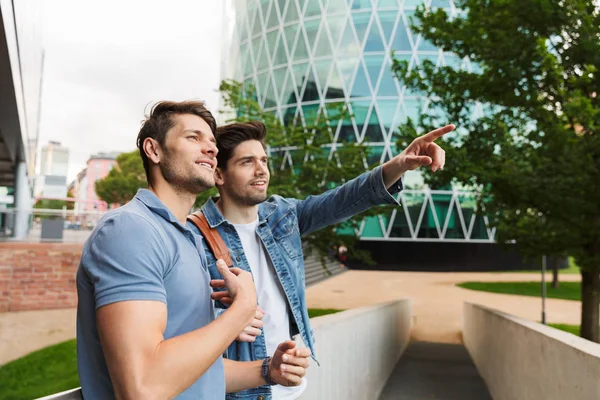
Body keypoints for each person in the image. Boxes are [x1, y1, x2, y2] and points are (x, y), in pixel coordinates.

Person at [189, 120, 454, 399]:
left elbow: (344, 199)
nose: (261, 170)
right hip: (238, 391)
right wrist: (228, 319)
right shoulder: (194, 237)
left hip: (290, 386)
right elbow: (182, 325)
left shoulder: (283, 216)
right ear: (219, 175)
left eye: (264, 160)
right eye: (247, 162)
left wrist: (399, 164)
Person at [76, 101, 310, 400]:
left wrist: (266, 371)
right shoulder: (130, 230)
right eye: (193, 137)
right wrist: (241, 310)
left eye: (212, 142)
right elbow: (143, 386)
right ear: (154, 150)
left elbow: (194, 370)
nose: (211, 149)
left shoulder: (189, 238)